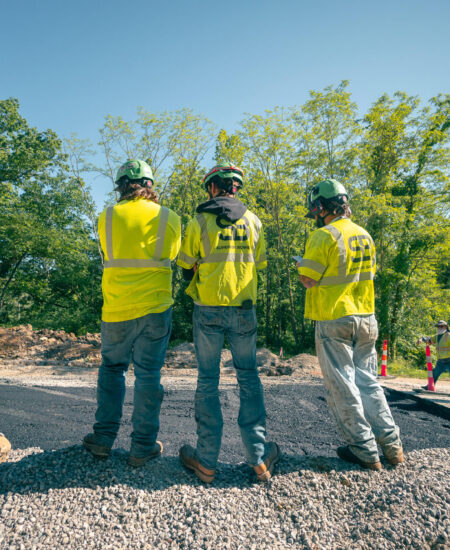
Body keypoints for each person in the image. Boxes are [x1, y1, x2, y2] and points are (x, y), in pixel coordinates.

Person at [176, 163, 280, 483]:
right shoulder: (254, 222)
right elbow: (257, 264)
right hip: (243, 309)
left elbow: (185, 267)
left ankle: (206, 461)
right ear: (236, 188)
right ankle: (259, 459)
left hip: (208, 308)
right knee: (249, 378)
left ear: (212, 188)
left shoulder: (199, 221)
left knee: (208, 379)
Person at [297, 179, 404, 470]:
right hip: (366, 318)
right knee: (369, 383)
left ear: (320, 207)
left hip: (335, 318)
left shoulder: (324, 235)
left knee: (343, 385)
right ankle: (392, 445)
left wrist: (300, 265)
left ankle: (364, 449)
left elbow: (309, 279)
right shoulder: (365, 235)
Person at [83, 159, 181, 467]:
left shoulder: (106, 217)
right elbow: (173, 255)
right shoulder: (170, 218)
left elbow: (108, 253)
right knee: (149, 374)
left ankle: (102, 440)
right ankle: (142, 446)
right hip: (155, 308)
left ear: (122, 186)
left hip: (117, 308)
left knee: (112, 370)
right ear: (150, 185)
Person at [417, 320, 450, 388]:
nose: (438, 328)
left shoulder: (448, 336)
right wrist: (421, 339)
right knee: (434, 374)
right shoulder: (437, 337)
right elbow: (429, 339)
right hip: (441, 361)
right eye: (437, 327)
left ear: (445, 327)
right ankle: (430, 386)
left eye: (440, 326)